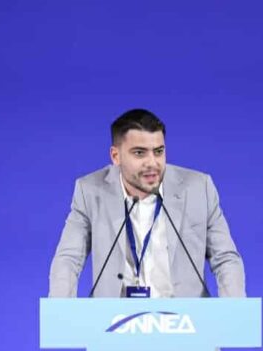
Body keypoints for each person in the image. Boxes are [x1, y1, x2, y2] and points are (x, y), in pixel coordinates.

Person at [48, 108, 245, 299]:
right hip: (114, 317)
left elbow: (225, 259)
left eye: (158, 151)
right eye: (139, 153)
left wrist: (235, 312)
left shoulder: (199, 188)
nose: (152, 163)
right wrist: (60, 313)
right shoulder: (90, 190)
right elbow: (68, 259)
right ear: (116, 156)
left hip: (186, 316)